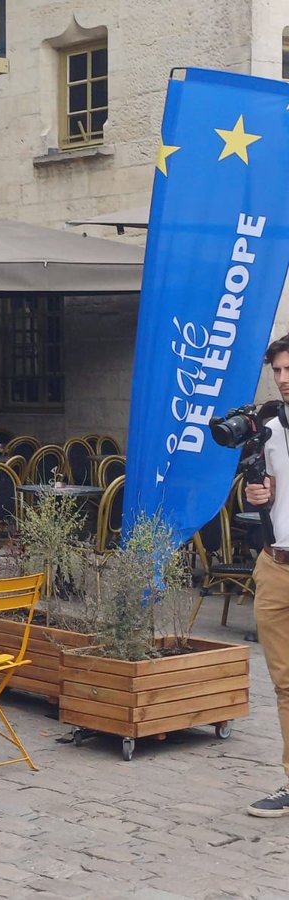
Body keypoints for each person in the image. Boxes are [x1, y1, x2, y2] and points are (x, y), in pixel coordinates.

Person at [245, 332, 289, 817]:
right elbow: (268, 496)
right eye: (276, 371)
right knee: (285, 683)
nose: (282, 380)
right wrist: (258, 496)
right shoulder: (270, 428)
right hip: (275, 566)